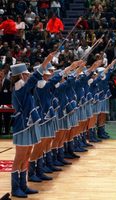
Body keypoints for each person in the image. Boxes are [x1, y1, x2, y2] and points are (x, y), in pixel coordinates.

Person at [10, 52, 55, 198]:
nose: (28, 76)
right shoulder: (20, 87)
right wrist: (46, 60)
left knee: (27, 155)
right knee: (20, 157)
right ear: (21, 76)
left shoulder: (24, 88)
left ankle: (23, 185)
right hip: (22, 127)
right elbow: (35, 78)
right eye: (26, 74)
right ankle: (15, 187)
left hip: (27, 126)